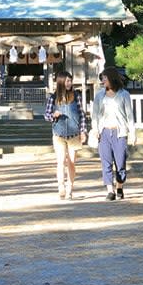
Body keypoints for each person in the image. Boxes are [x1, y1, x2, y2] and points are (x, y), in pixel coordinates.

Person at [91, 66, 135, 201]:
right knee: (106, 162)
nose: (103, 80)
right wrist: (96, 130)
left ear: (111, 78)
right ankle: (110, 190)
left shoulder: (124, 94)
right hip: (104, 132)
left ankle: (119, 186)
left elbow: (129, 115)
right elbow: (95, 115)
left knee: (120, 162)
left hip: (119, 132)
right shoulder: (99, 95)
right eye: (102, 78)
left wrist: (133, 133)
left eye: (105, 77)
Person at [44, 71, 87, 200]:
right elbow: (46, 115)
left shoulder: (76, 96)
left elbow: (82, 114)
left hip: (74, 133)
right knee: (61, 161)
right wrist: (53, 115)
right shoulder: (53, 98)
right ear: (61, 82)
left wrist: (83, 131)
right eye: (67, 81)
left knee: (72, 162)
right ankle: (61, 186)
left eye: (70, 81)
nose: (69, 83)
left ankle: (70, 188)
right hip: (59, 133)